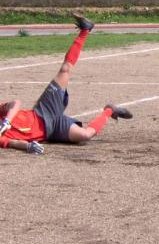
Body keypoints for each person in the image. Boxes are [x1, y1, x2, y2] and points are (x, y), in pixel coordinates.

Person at [0, 13, 133, 154]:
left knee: (65, 70)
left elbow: (15, 103)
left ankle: (85, 30)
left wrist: (7, 121)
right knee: (85, 135)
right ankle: (110, 110)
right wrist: (28, 146)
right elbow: (11, 143)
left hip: (43, 113)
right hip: (51, 132)